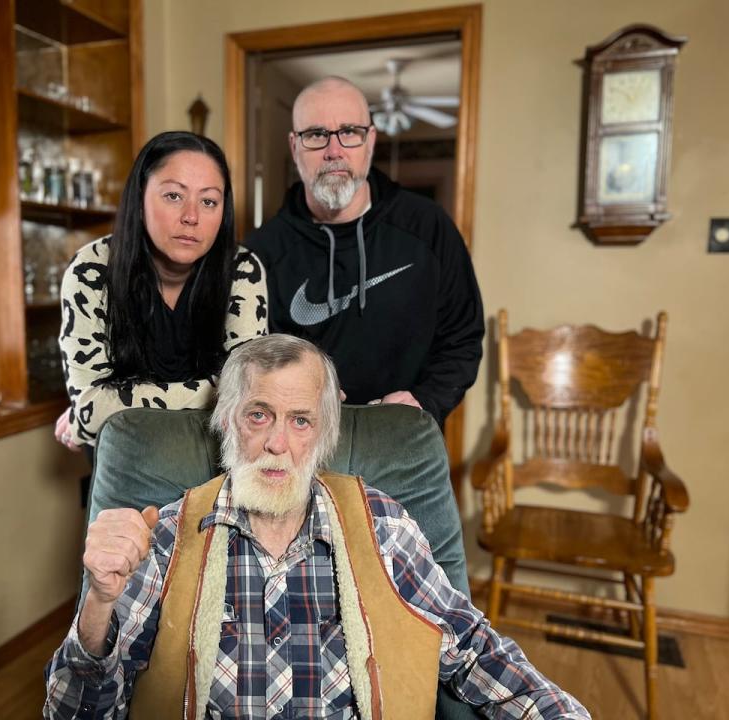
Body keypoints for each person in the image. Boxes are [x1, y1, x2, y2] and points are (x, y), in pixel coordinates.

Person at [44, 335, 590, 720]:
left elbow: (473, 649)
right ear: (227, 420)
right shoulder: (166, 534)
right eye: (259, 415)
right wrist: (98, 602)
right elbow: (73, 713)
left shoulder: (383, 525)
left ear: (324, 432)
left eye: (300, 420)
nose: (278, 443)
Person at [245, 77, 484, 427]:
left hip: (405, 439)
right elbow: (250, 362)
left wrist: (425, 400)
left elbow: (463, 337)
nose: (334, 150)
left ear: (370, 140)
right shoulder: (260, 253)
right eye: (316, 134)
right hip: (300, 448)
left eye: (349, 131)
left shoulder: (428, 226)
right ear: (294, 146)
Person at [55, 131, 268, 449]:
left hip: (215, 459)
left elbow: (254, 392)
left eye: (208, 201)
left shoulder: (241, 268)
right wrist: (219, 394)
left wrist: (113, 403)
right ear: (140, 199)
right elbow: (89, 409)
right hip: (127, 461)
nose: (191, 217)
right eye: (174, 196)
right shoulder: (92, 270)